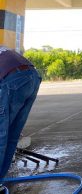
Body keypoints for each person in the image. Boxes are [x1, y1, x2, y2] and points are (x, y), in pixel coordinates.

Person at [0, 46, 41, 181]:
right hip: (33, 77)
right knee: (12, 134)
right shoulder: (3, 50)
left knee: (1, 134)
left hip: (13, 80)